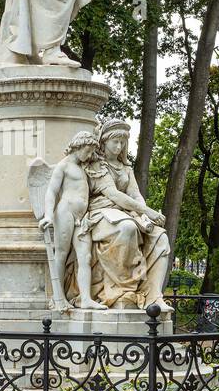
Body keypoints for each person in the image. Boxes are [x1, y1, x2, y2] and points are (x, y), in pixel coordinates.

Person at [81, 120, 171, 310]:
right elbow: (113, 194)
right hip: (101, 213)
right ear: (103, 142)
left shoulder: (126, 168)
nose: (119, 146)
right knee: (127, 228)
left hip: (125, 212)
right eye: (115, 141)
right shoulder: (98, 165)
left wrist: (145, 216)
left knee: (160, 237)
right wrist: (146, 211)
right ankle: (122, 292)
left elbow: (135, 194)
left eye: (122, 142)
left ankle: (154, 297)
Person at [38, 130, 106, 310]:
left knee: (85, 256)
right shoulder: (64, 165)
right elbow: (51, 192)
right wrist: (48, 215)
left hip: (82, 218)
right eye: (88, 151)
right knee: (60, 253)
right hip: (65, 213)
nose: (90, 155)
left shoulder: (85, 166)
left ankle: (85, 299)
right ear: (78, 146)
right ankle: (57, 297)